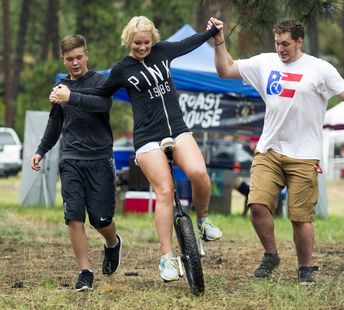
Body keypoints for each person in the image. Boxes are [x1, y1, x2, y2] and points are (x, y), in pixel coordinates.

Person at [50, 16, 223, 282]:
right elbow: (101, 95)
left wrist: (212, 31)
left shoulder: (164, 51)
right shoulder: (122, 68)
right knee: (164, 190)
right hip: (147, 138)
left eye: (146, 42)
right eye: (137, 43)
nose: (142, 48)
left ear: (153, 39)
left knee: (199, 173)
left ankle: (203, 220)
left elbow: (190, 43)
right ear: (128, 41)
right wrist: (71, 96)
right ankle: (166, 256)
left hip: (177, 128)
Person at [211, 18, 344, 284]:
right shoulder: (265, 62)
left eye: (286, 44)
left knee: (300, 218)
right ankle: (271, 255)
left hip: (304, 156)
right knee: (257, 205)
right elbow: (226, 69)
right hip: (269, 150)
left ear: (299, 41)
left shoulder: (320, 69)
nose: (281, 48)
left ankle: (305, 268)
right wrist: (219, 40)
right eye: (277, 43)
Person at [32, 34, 122, 292]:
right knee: (74, 217)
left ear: (86, 56)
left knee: (101, 219)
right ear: (63, 59)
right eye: (69, 59)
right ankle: (85, 272)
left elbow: (103, 104)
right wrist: (41, 150)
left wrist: (71, 97)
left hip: (100, 159)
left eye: (79, 57)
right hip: (71, 159)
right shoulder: (60, 88)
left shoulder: (99, 81)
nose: (75, 63)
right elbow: (55, 124)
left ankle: (113, 243)